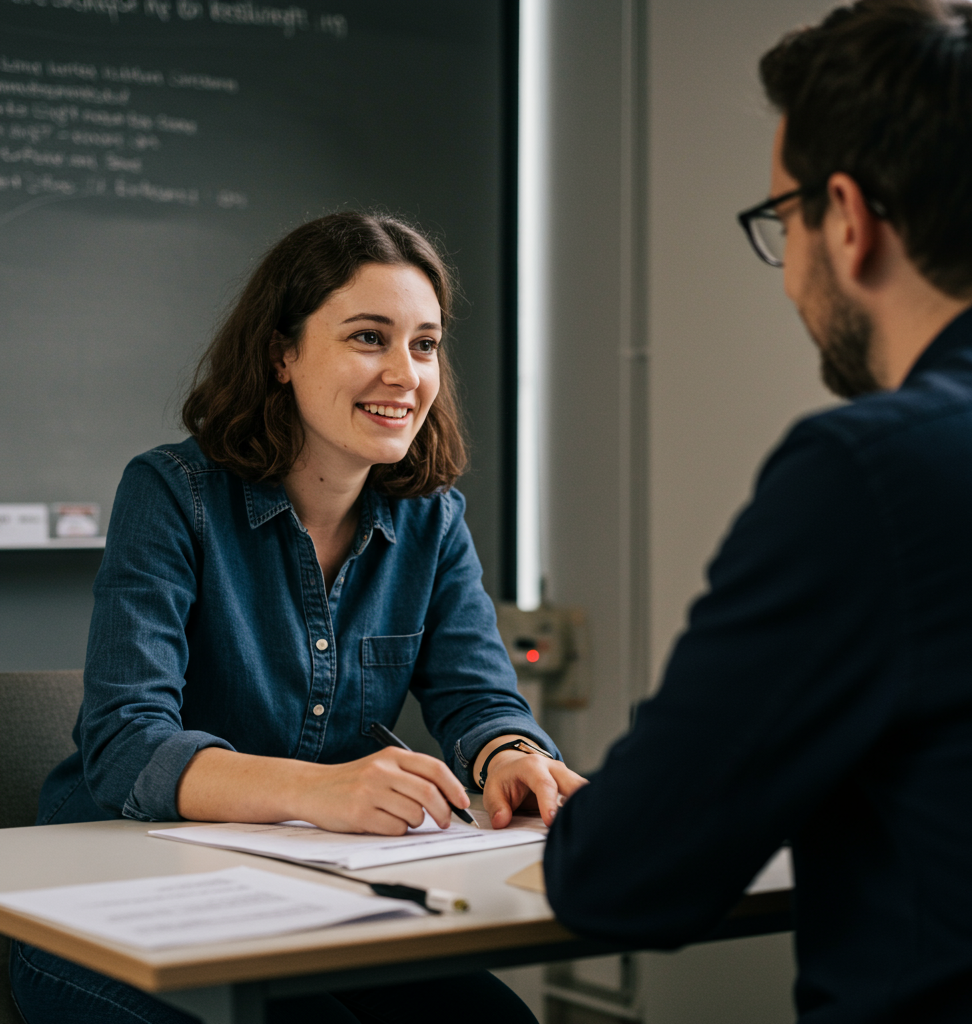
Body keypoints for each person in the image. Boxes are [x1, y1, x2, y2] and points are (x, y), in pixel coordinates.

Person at [544, 2, 972, 1021]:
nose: (790, 272)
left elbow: (623, 873)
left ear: (847, 219)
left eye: (784, 219)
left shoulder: (876, 475)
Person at [11, 211, 584, 1024]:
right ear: (282, 354)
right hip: (110, 914)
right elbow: (125, 743)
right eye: (368, 338)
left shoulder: (432, 519)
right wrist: (322, 792)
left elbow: (478, 698)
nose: (405, 373)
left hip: (314, 901)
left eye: (424, 344)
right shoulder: (173, 493)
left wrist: (511, 755)